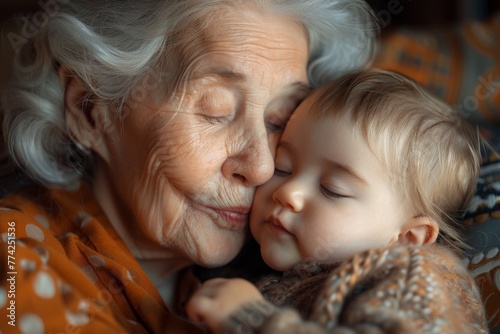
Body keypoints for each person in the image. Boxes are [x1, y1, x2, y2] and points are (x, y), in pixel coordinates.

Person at [0, 0, 377, 333]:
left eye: (280, 119)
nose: (261, 168)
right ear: (92, 112)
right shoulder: (16, 262)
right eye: (216, 111)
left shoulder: (276, 271)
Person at [186, 69, 488, 333]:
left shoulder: (411, 281)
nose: (288, 192)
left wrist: (251, 319)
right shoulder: (243, 259)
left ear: (406, 239)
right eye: (283, 167)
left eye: (332, 189)